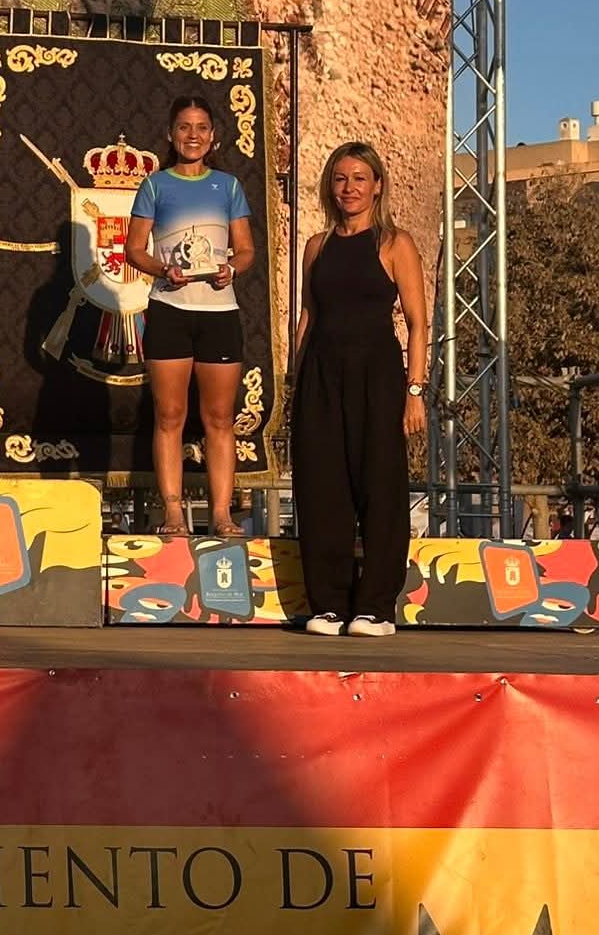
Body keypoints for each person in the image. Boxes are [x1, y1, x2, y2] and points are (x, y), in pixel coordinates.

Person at [288, 142, 429, 638]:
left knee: (380, 486)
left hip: (378, 375)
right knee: (322, 488)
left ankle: (376, 608)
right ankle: (328, 604)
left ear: (377, 186)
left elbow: (418, 323)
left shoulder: (395, 244)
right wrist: (296, 383)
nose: (349, 188)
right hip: (321, 375)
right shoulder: (316, 246)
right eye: (341, 178)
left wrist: (415, 390)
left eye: (359, 178)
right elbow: (308, 318)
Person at [124, 95, 256, 536]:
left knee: (219, 419)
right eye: (184, 127)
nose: (193, 135)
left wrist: (232, 269)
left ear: (213, 136)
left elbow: (246, 250)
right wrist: (163, 270)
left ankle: (221, 515)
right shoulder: (155, 185)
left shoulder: (228, 186)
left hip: (220, 314)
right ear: (170, 134)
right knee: (169, 416)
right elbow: (134, 249)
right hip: (169, 310)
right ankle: (174, 514)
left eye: (201, 127)